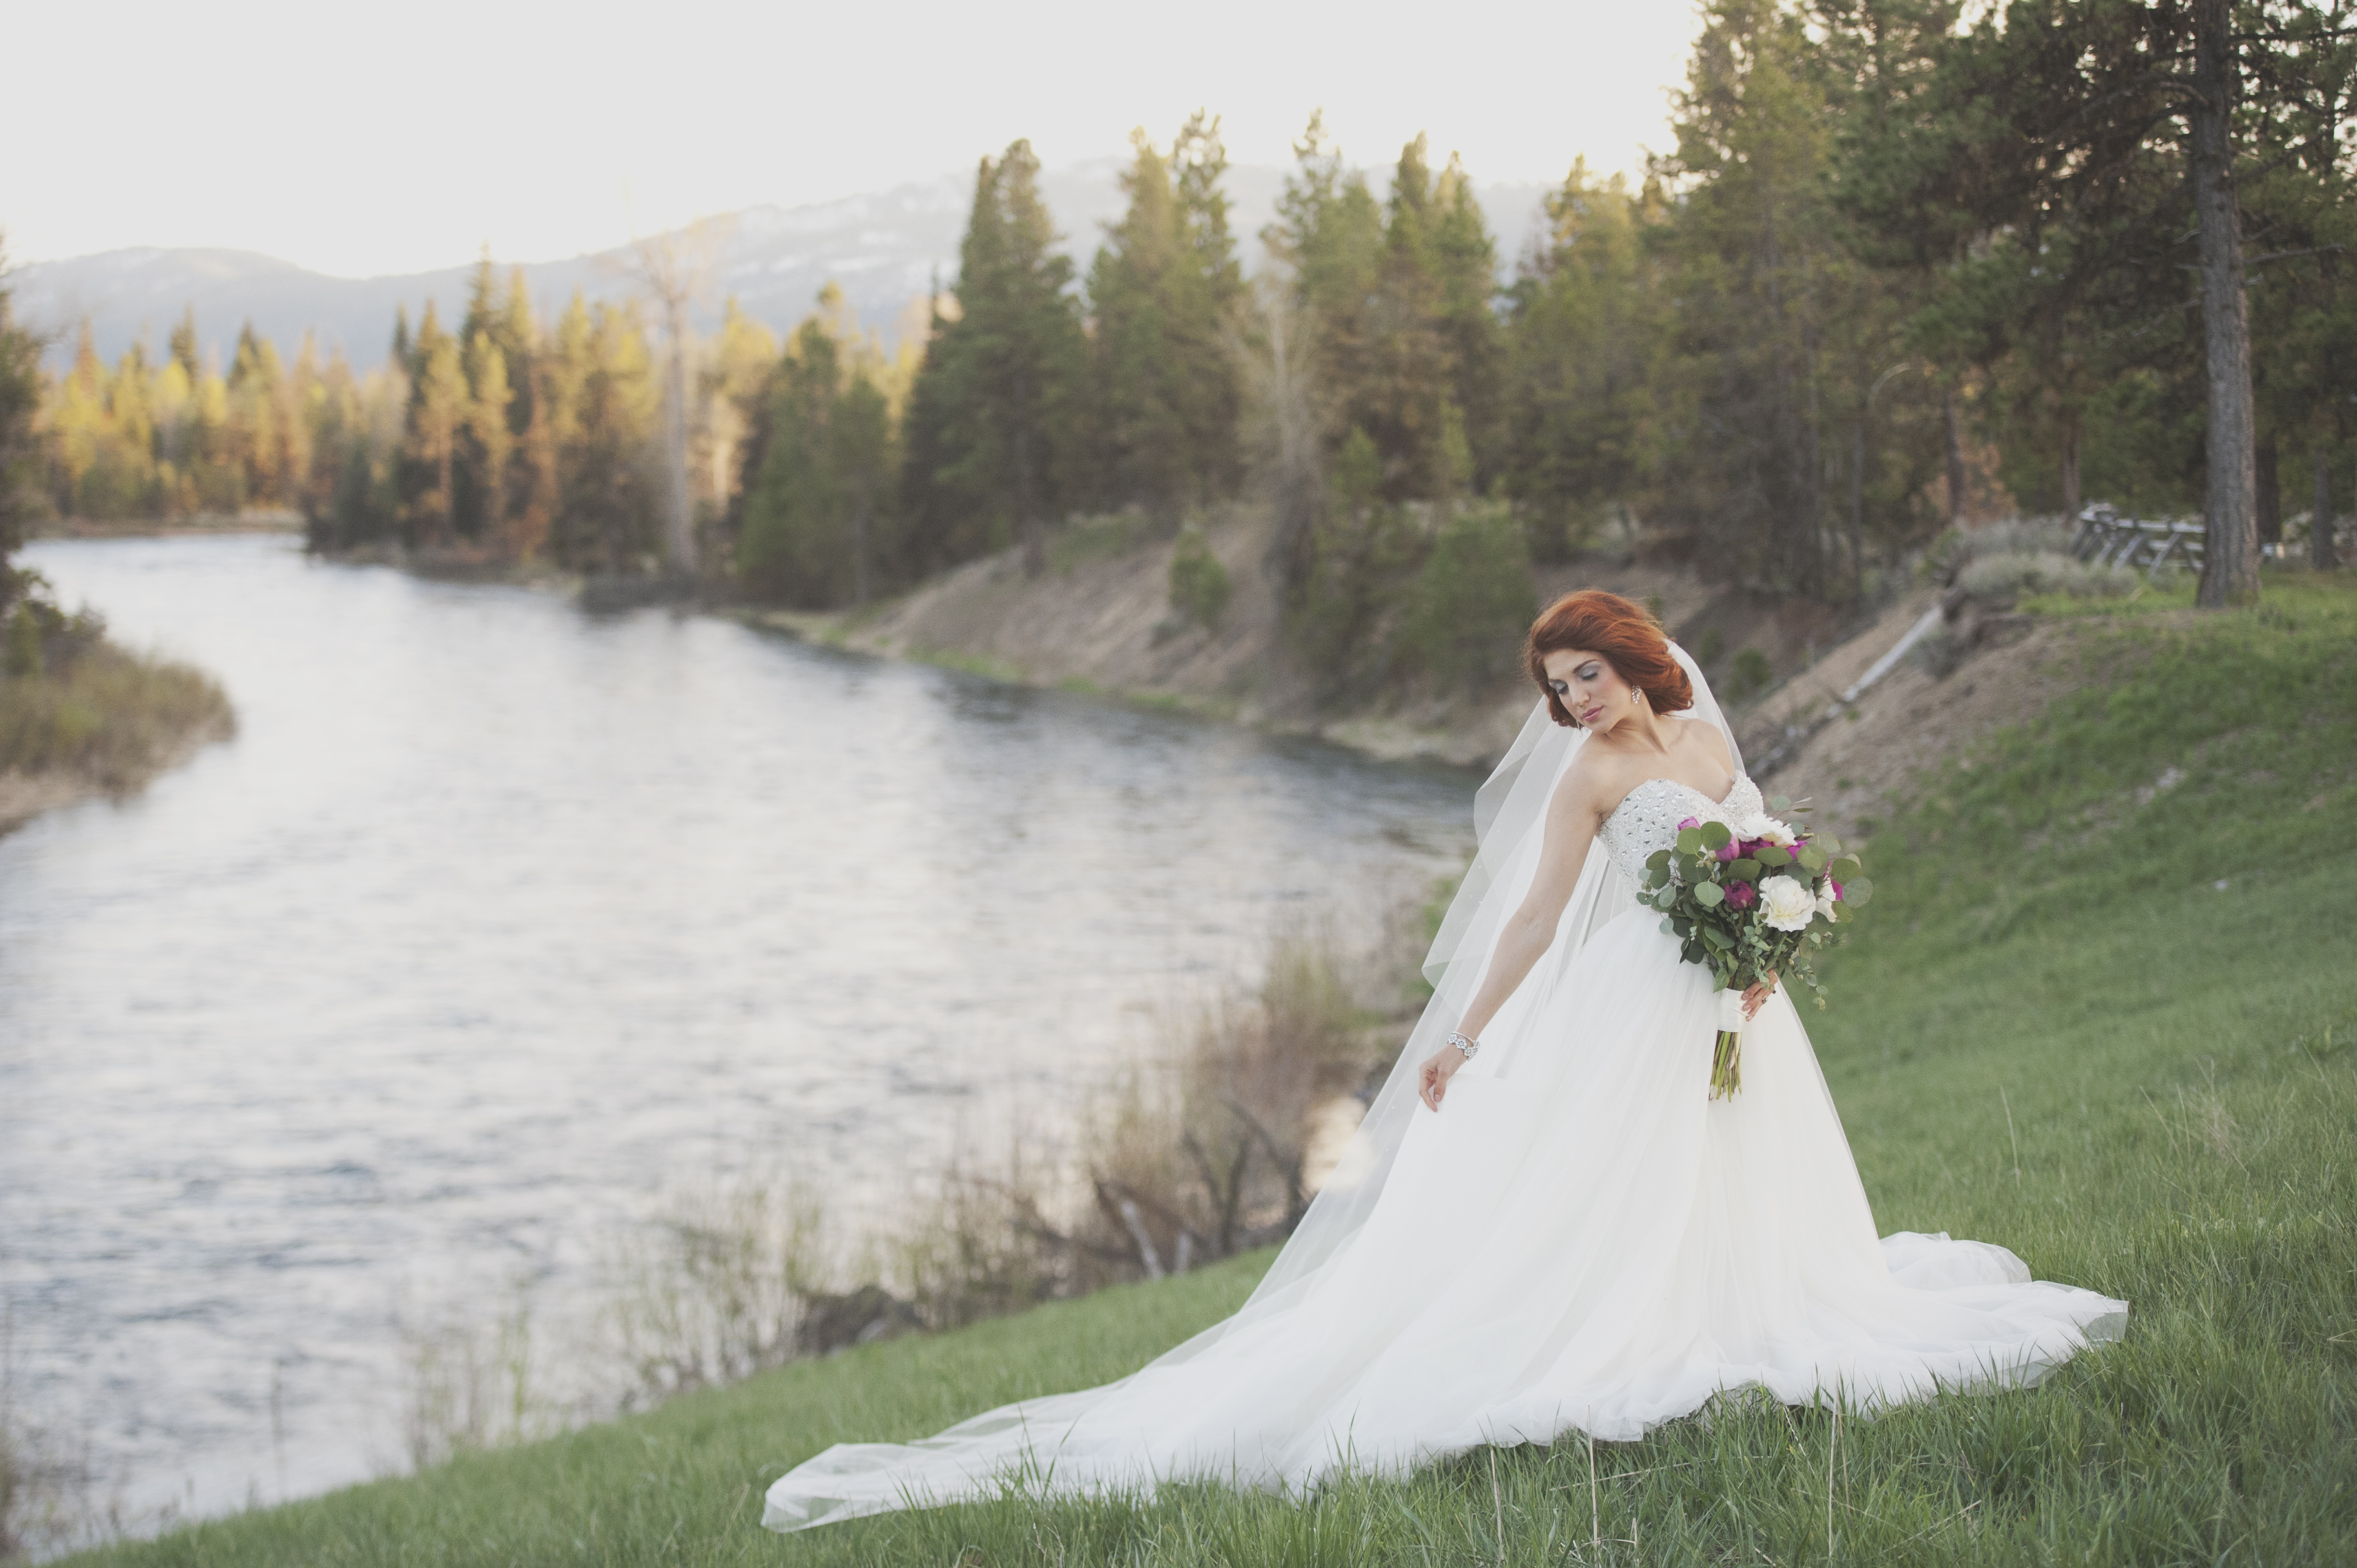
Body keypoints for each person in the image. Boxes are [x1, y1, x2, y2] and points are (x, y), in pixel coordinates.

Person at [761, 590, 2127, 1532]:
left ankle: (1738, 1305)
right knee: (1612, 1184)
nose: (1571, 702)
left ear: (1630, 656)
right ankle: (1617, 1331)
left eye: (1583, 676)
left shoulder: (1708, 741)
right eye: (1554, 689)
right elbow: (1535, 915)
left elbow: (1759, 845)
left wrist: (1774, 929)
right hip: (1626, 1005)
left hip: (1728, 1005)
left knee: (1735, 1163)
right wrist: (1463, 1033)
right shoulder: (1588, 783)